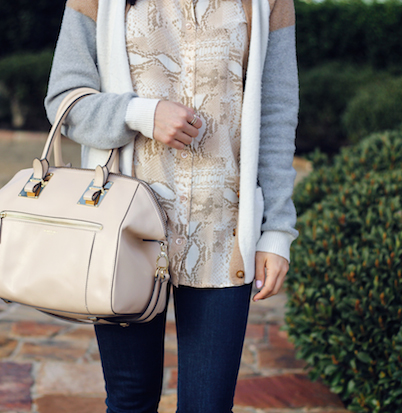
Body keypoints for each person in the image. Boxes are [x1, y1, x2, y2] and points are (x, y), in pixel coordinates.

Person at [44, 0, 299, 411]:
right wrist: (141, 114)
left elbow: (277, 113)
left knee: (208, 407)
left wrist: (277, 229)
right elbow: (64, 101)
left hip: (223, 235)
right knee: (130, 400)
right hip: (125, 233)